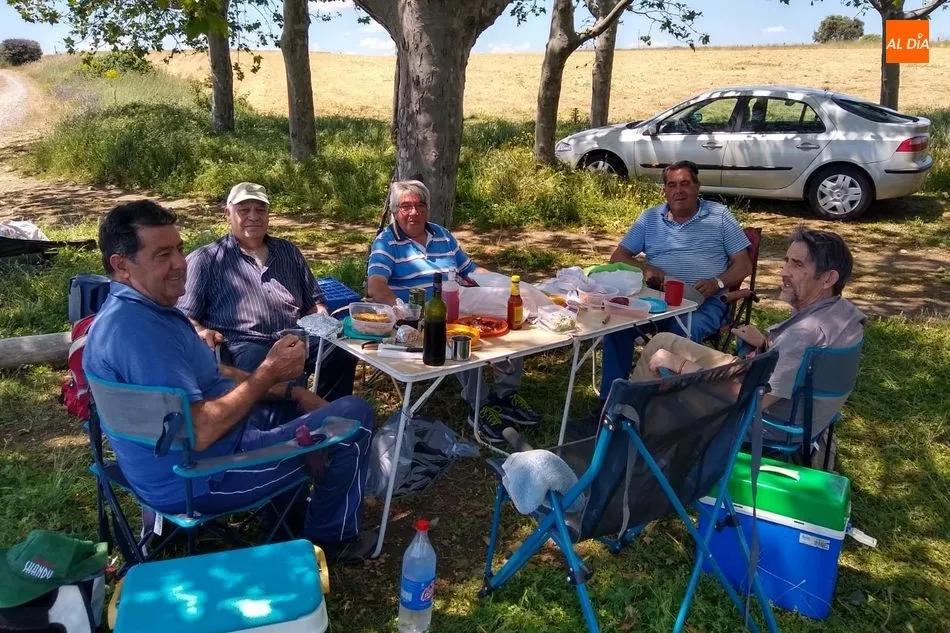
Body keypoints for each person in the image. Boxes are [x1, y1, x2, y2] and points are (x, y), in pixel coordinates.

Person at [83, 200, 377, 564]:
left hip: (180, 463)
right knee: (353, 416)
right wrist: (268, 371)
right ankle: (330, 538)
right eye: (162, 255)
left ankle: (288, 522)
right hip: (203, 478)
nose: (180, 263)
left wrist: (292, 390)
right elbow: (202, 431)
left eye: (178, 249)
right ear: (121, 265)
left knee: (291, 407)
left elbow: (217, 372)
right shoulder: (142, 334)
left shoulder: (133, 313)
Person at [633, 227, 865, 443]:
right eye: (786, 261)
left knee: (662, 372)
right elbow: (804, 362)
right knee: (662, 342)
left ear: (828, 278)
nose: (783, 272)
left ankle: (630, 432)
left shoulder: (802, 335)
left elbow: (751, 399)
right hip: (786, 402)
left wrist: (680, 365)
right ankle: (630, 422)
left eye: (797, 265)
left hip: (761, 422)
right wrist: (767, 345)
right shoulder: (844, 314)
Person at [365, 179, 541, 443]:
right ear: (395, 211)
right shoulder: (386, 242)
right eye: (406, 206)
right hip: (421, 317)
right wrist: (403, 314)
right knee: (460, 337)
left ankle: (506, 394)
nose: (414, 212)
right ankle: (479, 406)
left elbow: (470, 270)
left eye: (420, 205)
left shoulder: (442, 235)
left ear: (427, 208)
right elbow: (376, 286)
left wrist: (502, 285)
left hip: (460, 302)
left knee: (509, 317)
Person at [178, 182, 357, 402]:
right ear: (227, 214)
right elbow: (185, 318)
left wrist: (323, 320)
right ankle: (285, 418)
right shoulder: (206, 259)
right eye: (244, 209)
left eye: (260, 209)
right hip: (244, 344)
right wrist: (202, 332)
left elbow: (314, 302)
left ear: (268, 214)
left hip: (295, 337)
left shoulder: (288, 252)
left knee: (340, 352)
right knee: (266, 366)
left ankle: (327, 414)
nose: (253, 216)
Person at [599, 159, 753, 398]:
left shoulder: (719, 216)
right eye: (672, 185)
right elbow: (618, 256)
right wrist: (645, 268)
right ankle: (610, 402)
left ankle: (662, 404)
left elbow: (744, 265)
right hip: (657, 299)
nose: (678, 190)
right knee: (618, 328)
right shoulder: (650, 218)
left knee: (680, 333)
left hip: (704, 301)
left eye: (685, 183)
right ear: (664, 190)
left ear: (697, 186)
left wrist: (717, 283)